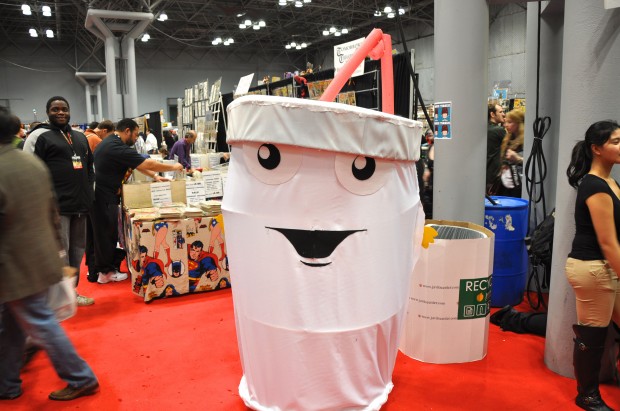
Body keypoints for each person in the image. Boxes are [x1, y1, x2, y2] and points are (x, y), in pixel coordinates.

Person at [0, 107, 99, 401]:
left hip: (15, 263)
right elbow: (52, 209)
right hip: (37, 255)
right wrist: (57, 251)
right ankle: (6, 383)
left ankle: (81, 377)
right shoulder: (31, 163)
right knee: (12, 325)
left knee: (40, 322)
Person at [565, 120, 620, 411]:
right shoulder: (595, 185)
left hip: (605, 267)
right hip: (593, 268)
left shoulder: (611, 182)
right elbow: (608, 242)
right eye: (616, 142)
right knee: (592, 333)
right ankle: (587, 395)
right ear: (596, 149)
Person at [90, 118, 183, 284]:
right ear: (127, 131)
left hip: (103, 195)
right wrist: (173, 167)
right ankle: (105, 273)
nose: (136, 139)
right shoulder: (116, 147)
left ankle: (103, 269)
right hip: (103, 197)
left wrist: (155, 176)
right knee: (106, 235)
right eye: (135, 135)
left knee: (105, 234)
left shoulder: (112, 142)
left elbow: (137, 165)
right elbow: (147, 163)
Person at [22, 96, 95, 307]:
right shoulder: (38, 136)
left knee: (77, 252)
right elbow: (29, 171)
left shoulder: (79, 137)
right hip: (56, 208)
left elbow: (89, 168)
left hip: (80, 205)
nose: (60, 112)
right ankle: (57, 297)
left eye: (64, 109)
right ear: (48, 112)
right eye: (55, 109)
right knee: (59, 253)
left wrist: (88, 193)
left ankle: (71, 293)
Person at [496, 109, 525, 197]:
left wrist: (518, 159)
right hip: (506, 184)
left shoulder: (526, 141)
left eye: (510, 122)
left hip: (519, 187)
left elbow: (532, 164)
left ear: (519, 123)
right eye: (506, 122)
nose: (506, 125)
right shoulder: (508, 138)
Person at [486, 102, 506, 195]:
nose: (504, 114)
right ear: (492, 114)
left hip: (485, 174)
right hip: (494, 177)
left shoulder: (484, 128)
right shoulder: (499, 130)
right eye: (501, 112)